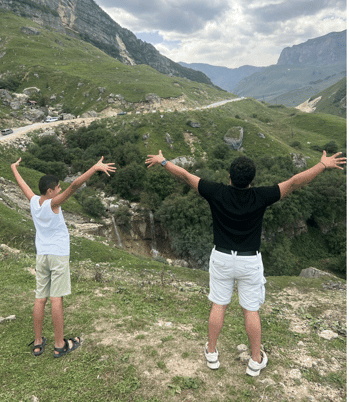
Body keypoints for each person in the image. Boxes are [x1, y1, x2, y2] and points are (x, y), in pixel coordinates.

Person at [145, 149, 346, 376]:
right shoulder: (260, 196)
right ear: (253, 179)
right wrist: (322, 165)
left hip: (221, 257)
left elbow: (184, 175)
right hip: (249, 260)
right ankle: (255, 360)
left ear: (229, 177)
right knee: (250, 310)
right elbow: (294, 182)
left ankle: (211, 353)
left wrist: (162, 161)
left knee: (218, 305)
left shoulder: (216, 192)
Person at [11, 156, 116, 358]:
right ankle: (60, 345)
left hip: (41, 255)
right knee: (56, 298)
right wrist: (94, 168)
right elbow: (74, 186)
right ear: (50, 191)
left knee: (40, 298)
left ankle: (38, 342)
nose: (60, 189)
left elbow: (21, 183)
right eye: (57, 187)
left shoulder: (34, 201)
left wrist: (14, 168)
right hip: (57, 255)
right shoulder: (53, 203)